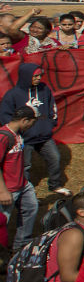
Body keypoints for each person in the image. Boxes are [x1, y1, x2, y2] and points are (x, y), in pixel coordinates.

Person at [0, 62, 65, 197]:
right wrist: (17, 131)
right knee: (25, 166)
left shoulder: (44, 89)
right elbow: (4, 115)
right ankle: (26, 191)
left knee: (55, 158)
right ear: (26, 76)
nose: (38, 78)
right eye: (35, 76)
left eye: (40, 76)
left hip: (44, 136)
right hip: (25, 138)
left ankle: (55, 185)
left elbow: (52, 106)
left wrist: (50, 124)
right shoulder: (13, 94)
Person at [0, 105, 39, 245]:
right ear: (24, 120)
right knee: (3, 221)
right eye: (31, 123)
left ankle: (21, 245)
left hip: (23, 184)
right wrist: (3, 191)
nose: (31, 126)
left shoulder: (18, 134)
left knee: (31, 208)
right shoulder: (3, 136)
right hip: (8, 189)